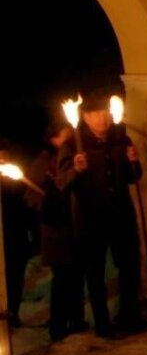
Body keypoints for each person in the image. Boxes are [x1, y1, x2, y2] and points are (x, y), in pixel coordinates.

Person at [58, 90, 143, 338]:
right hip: (90, 218)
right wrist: (76, 169)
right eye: (96, 114)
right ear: (85, 117)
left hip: (121, 215)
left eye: (105, 112)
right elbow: (63, 183)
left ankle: (129, 315)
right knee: (94, 272)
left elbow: (133, 178)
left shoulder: (120, 136)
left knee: (130, 265)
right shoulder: (72, 145)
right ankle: (103, 324)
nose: (103, 118)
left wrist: (134, 162)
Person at [26, 121, 87, 341]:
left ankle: (77, 320)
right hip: (56, 229)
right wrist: (48, 201)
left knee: (77, 275)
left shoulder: (72, 156)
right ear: (53, 139)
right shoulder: (43, 163)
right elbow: (32, 197)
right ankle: (58, 325)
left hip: (74, 225)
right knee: (62, 278)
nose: (69, 136)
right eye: (64, 134)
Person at [0, 139, 34, 328]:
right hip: (2, 238)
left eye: (4, 155)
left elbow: (24, 205)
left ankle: (13, 312)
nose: (2, 159)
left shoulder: (14, 178)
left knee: (15, 276)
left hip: (15, 237)